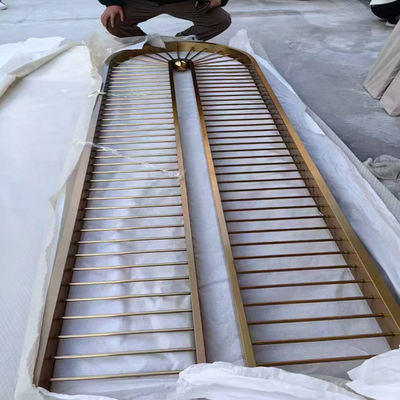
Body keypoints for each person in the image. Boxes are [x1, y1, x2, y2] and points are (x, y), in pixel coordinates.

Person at [99, 0, 231, 41]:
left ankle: (180, 43)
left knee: (220, 20)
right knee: (114, 21)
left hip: (183, 1)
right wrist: (112, 3)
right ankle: (146, 46)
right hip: (140, 2)